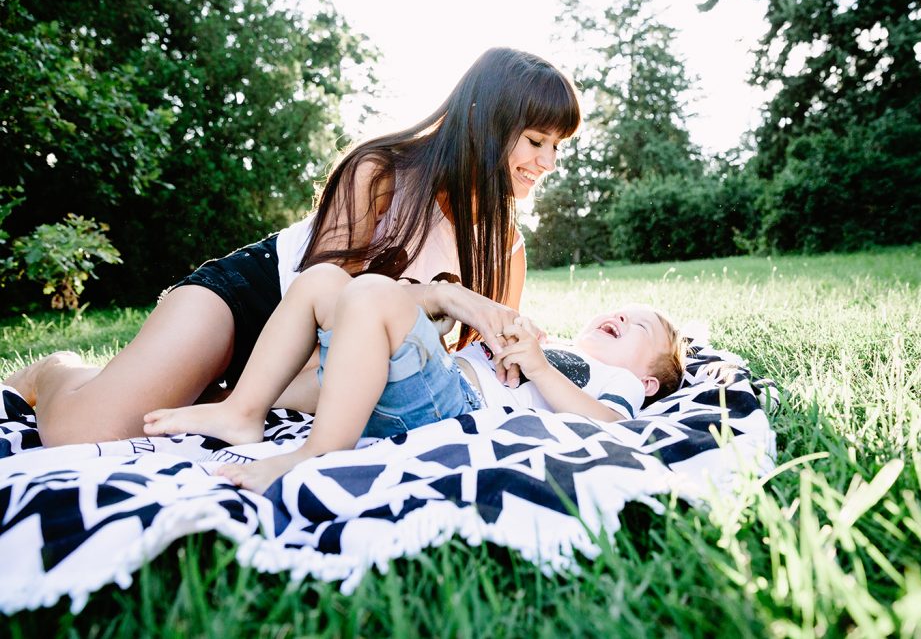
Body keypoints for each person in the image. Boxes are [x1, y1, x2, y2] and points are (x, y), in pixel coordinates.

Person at [4, 47, 581, 446]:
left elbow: (470, 366)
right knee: (86, 433)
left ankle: (223, 395)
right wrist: (440, 296)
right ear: (484, 123)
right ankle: (54, 370)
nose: (549, 162)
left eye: (558, 146)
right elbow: (325, 294)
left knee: (186, 414)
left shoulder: (506, 249)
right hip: (255, 302)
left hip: (324, 365)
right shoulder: (382, 171)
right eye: (536, 140)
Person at [141, 265, 684, 493]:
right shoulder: (559, 345)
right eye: (617, 311)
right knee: (322, 280)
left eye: (639, 325)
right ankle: (243, 411)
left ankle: (320, 451)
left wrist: (538, 367)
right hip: (434, 384)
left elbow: (612, 425)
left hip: (455, 408)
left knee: (372, 292)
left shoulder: (619, 381)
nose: (619, 316)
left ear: (649, 380)